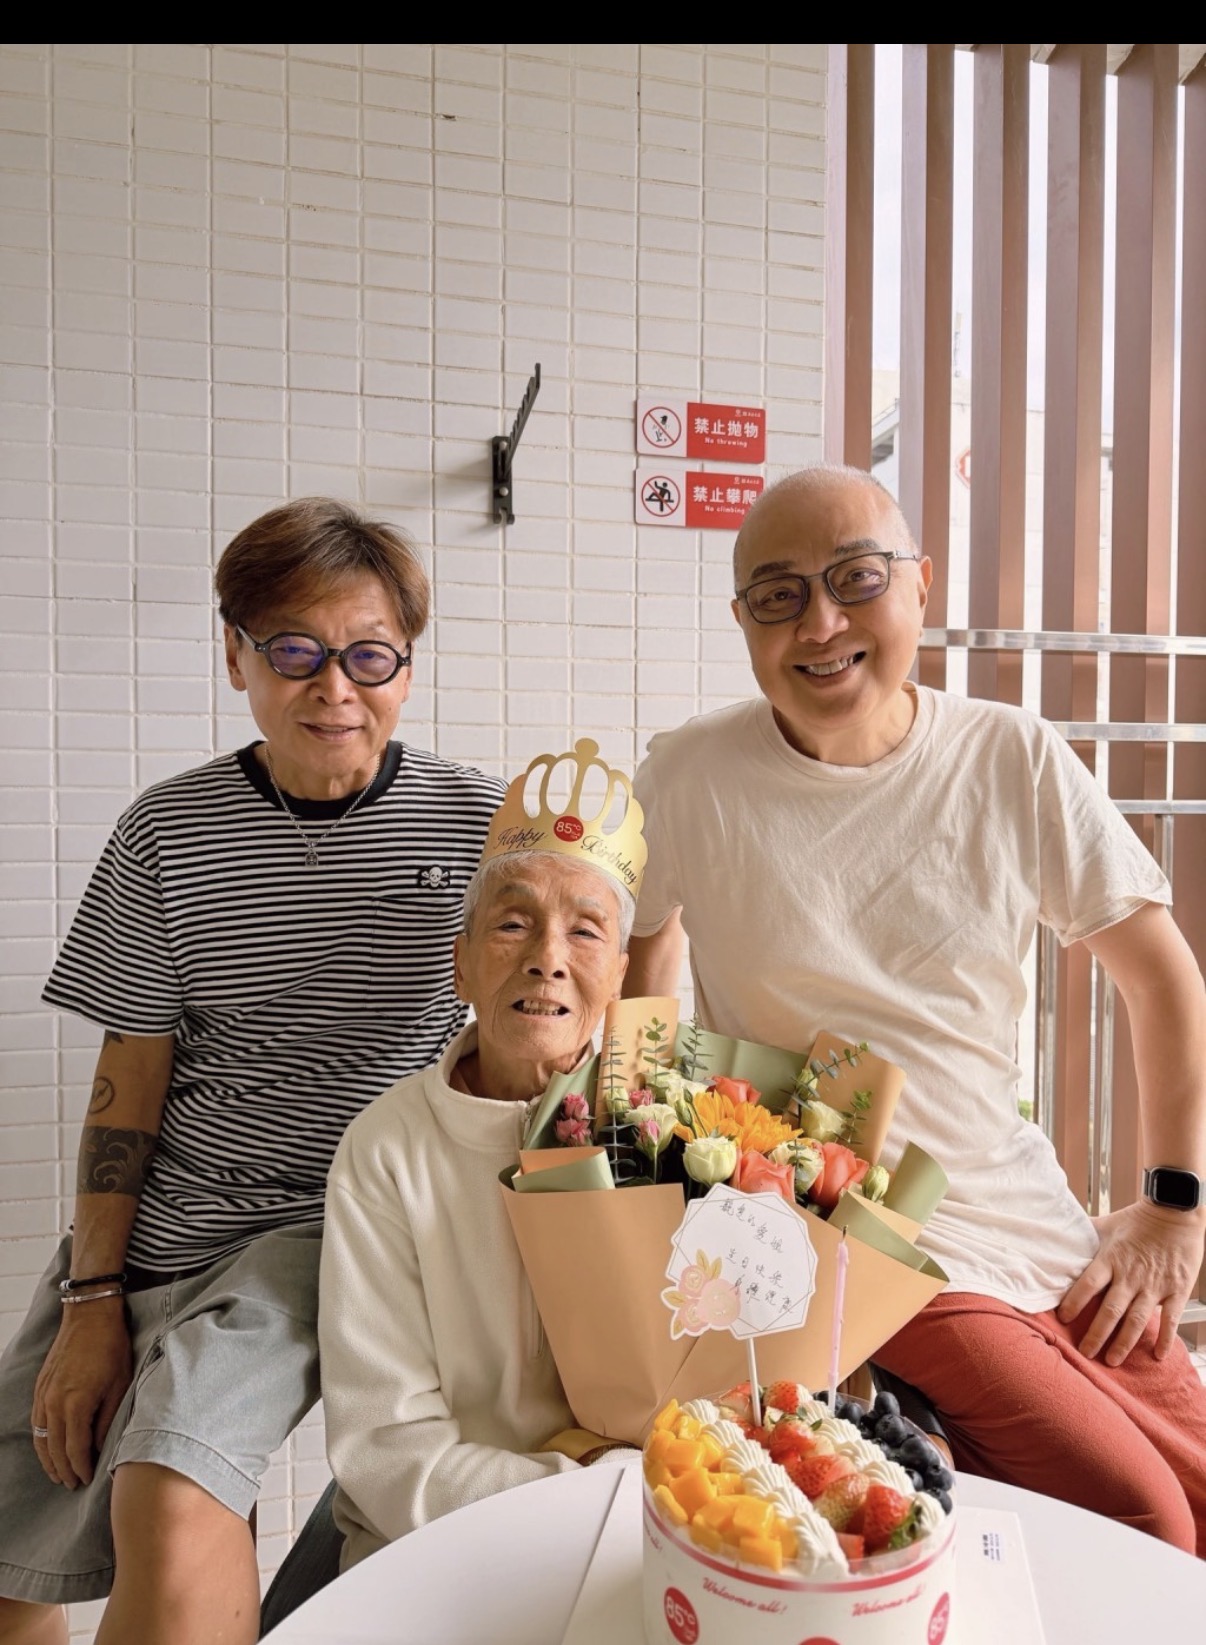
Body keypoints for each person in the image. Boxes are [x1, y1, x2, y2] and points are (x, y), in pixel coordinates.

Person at [624, 464, 1206, 1554]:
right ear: (743, 620)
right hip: (864, 1241)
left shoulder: (1008, 755)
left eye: (856, 578)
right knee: (1143, 1514)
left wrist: (1174, 1209)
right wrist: (667, 1160)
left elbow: (1161, 975)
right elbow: (644, 957)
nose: (821, 624)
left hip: (1024, 1209)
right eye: (780, 594)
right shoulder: (691, 774)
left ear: (920, 586)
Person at [0, 498, 504, 1645]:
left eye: (369, 654)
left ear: (408, 667)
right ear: (236, 657)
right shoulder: (166, 832)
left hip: (333, 1224)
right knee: (17, 1518)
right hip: (165, 1221)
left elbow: (570, 1002)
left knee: (168, 1488)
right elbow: (129, 1077)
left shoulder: (479, 827)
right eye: (295, 651)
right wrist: (91, 1298)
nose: (335, 688)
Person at [319, 747, 643, 1570]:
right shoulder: (386, 1149)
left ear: (617, 977)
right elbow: (388, 1450)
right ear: (462, 962)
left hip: (633, 1538)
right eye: (513, 923)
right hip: (430, 1548)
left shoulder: (664, 1136)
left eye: (585, 931)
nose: (548, 957)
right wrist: (595, 1493)